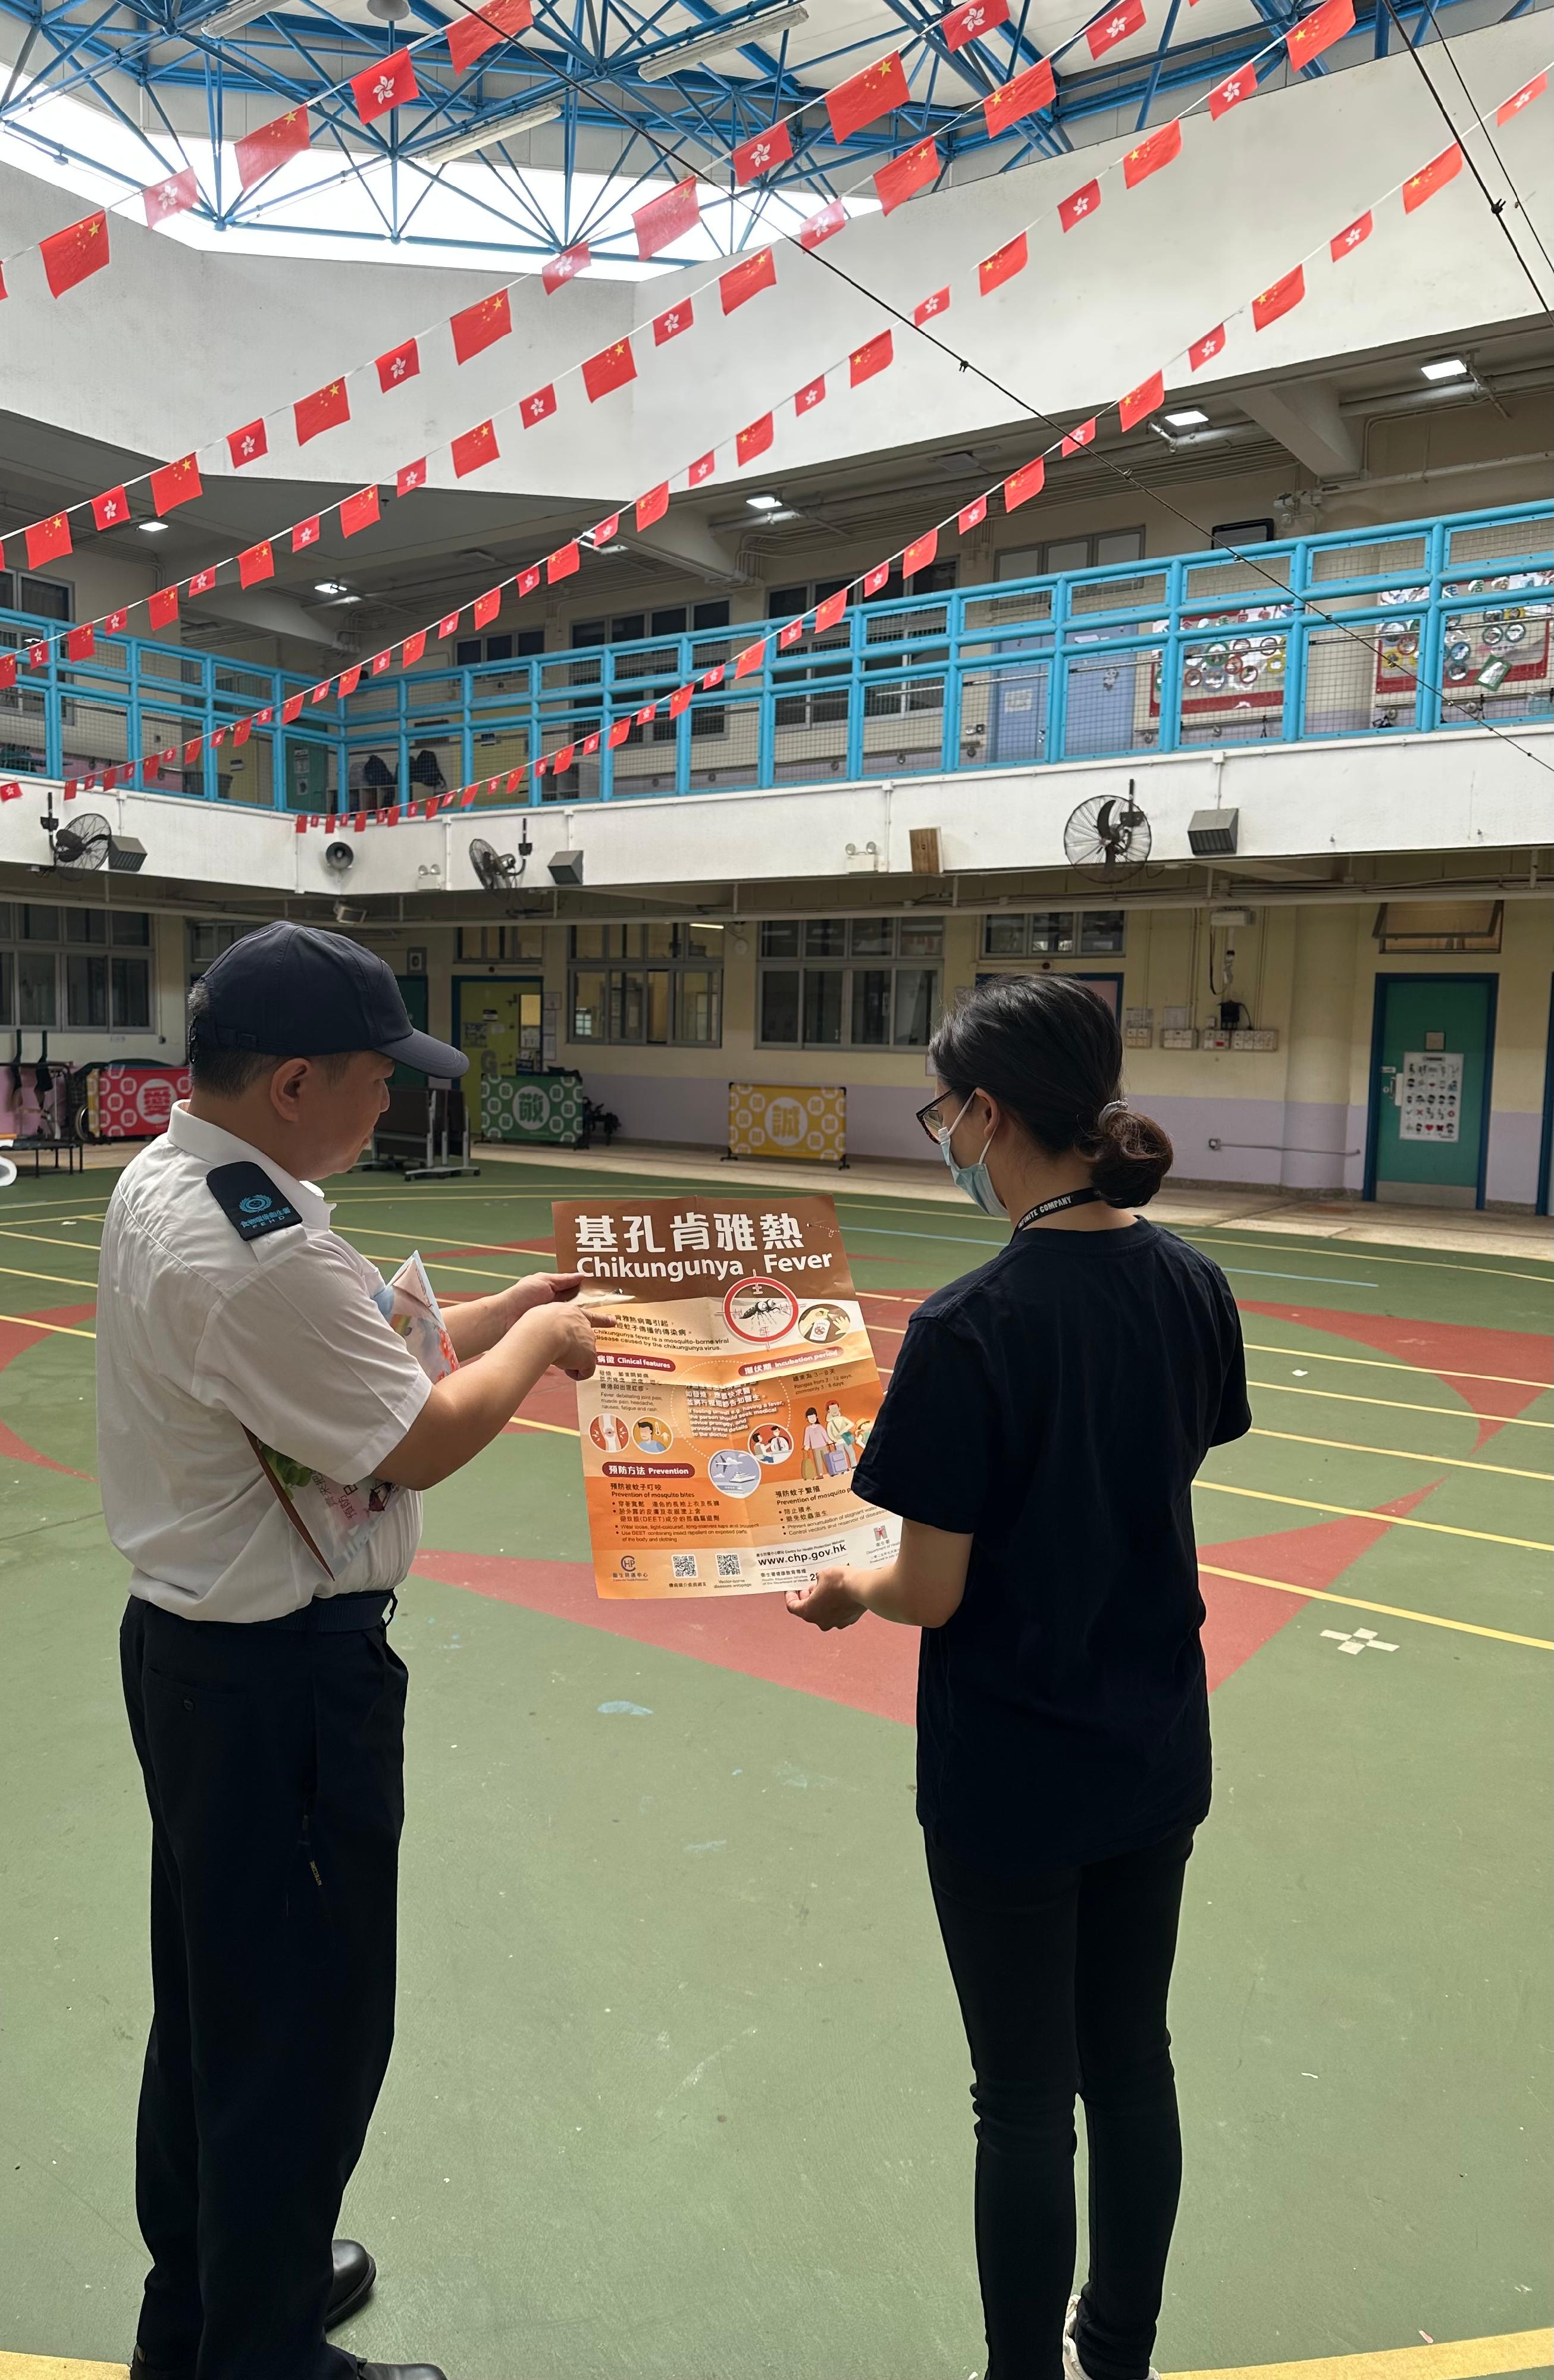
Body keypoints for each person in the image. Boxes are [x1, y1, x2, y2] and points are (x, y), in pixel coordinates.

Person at [98, 922, 606, 2380]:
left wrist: (508, 1310)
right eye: (382, 1078)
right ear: (298, 1081)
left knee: (216, 2007)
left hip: (198, 1659)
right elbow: (419, 1434)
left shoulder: (190, 1177)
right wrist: (551, 1342)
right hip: (280, 1688)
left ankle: (210, 2301)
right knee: (302, 2033)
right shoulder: (252, 1253)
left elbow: (362, 1350)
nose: (401, 1101)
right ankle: (257, 2351)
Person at [787, 973, 1250, 2380]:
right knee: (1134, 2059)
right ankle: (1118, 2352)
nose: (943, 1135)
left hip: (1010, 1770)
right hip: (1154, 1744)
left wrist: (845, 1584)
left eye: (944, 1111)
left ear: (988, 1114)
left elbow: (929, 1586)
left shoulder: (970, 1323)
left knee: (1023, 2100)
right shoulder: (1191, 1280)